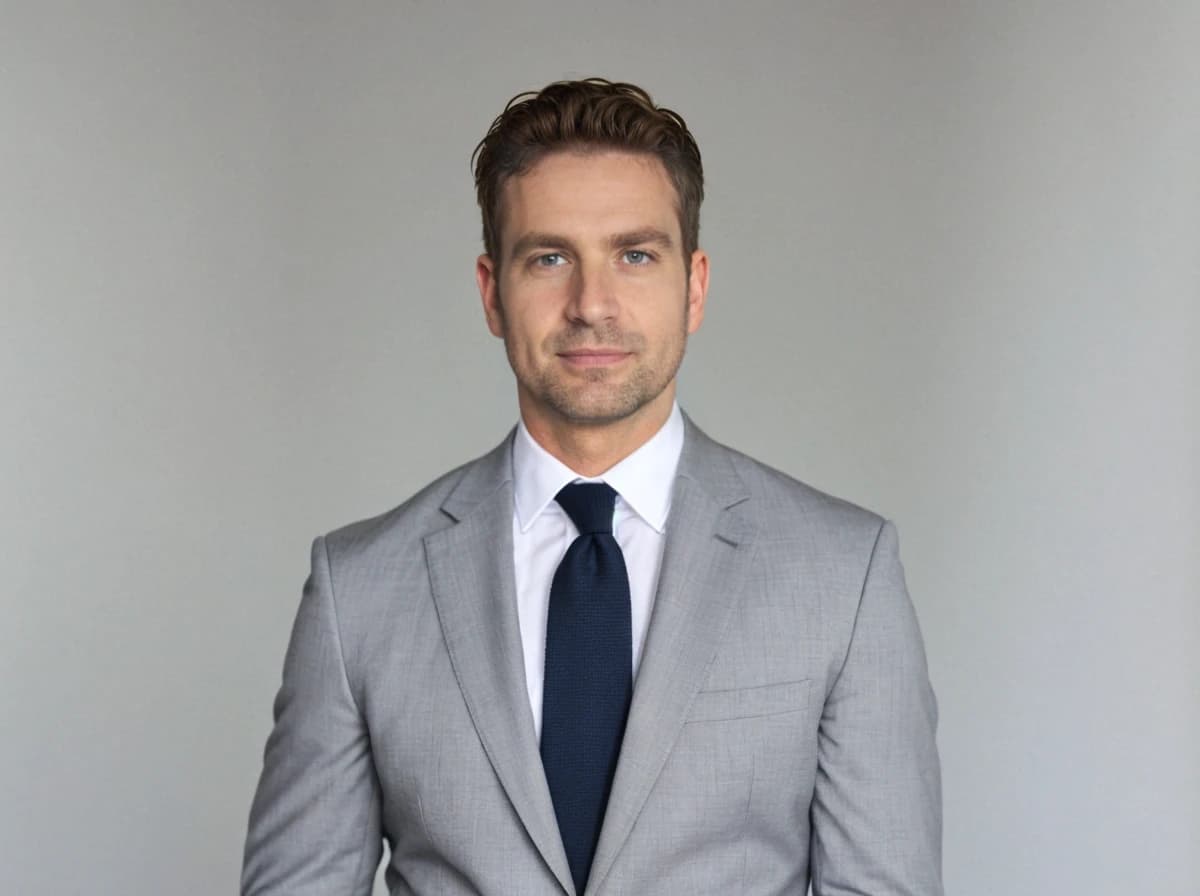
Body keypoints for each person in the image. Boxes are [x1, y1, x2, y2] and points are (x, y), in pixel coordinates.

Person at [241, 78, 943, 896]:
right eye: (549, 258)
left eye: (635, 255)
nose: (591, 305)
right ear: (491, 292)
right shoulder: (356, 588)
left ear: (695, 287)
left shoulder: (842, 573)